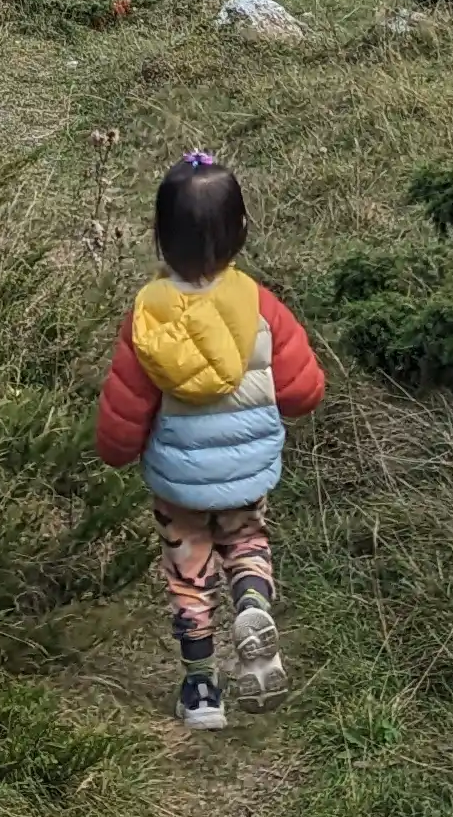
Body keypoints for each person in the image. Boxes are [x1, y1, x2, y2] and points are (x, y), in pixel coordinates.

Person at [94, 149, 326, 730]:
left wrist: (116, 451)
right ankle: (251, 603)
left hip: (178, 485)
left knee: (188, 573)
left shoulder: (149, 316)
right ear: (241, 231)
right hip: (246, 474)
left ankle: (201, 692)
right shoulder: (262, 307)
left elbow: (125, 410)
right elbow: (304, 392)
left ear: (157, 236)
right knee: (246, 542)